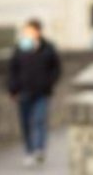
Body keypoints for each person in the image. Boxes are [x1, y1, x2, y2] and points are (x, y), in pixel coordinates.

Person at [7, 17, 61, 167]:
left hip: (41, 92)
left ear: (38, 31)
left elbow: (55, 68)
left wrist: (49, 83)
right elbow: (13, 70)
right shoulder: (20, 48)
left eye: (30, 30)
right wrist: (13, 89)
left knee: (39, 120)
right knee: (26, 123)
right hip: (23, 91)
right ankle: (29, 151)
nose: (27, 33)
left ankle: (39, 149)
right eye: (26, 31)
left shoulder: (48, 48)